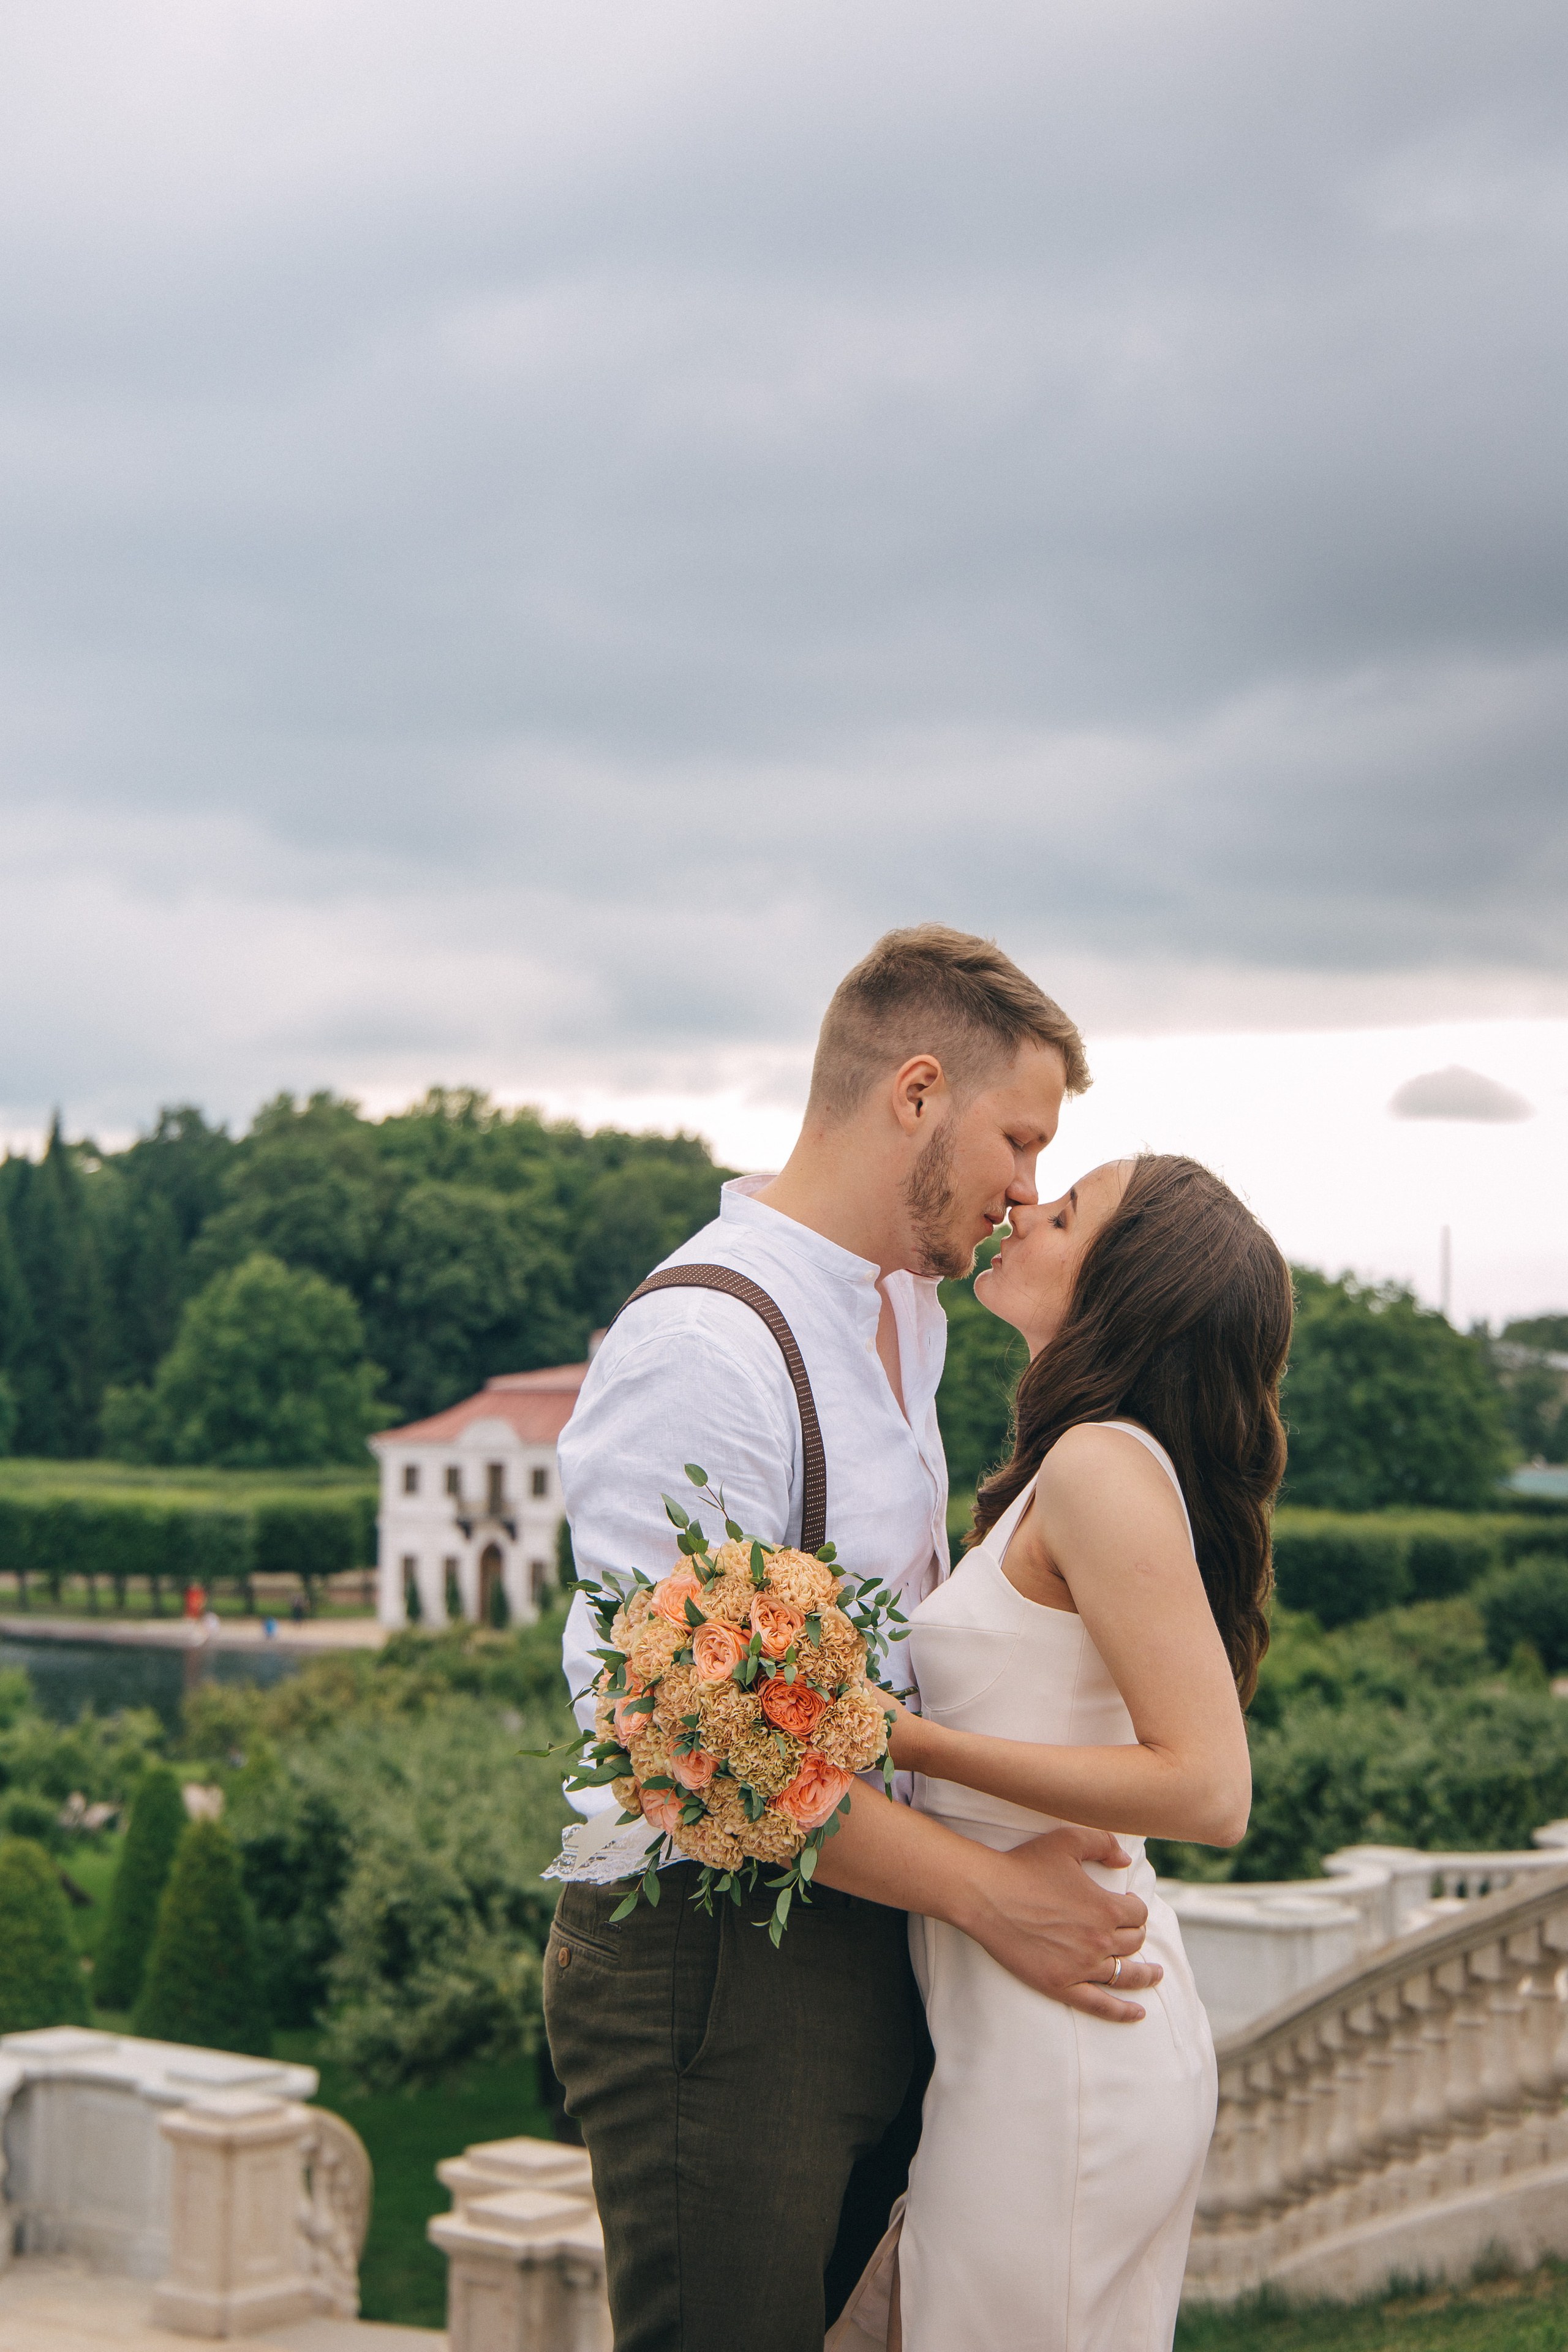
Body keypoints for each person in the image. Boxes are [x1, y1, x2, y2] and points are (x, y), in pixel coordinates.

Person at [546, 926, 1161, 2352]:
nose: (1026, 1188)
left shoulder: (904, 1308)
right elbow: (683, 1743)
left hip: (862, 1931)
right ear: (916, 1093)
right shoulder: (705, 1344)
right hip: (712, 1965)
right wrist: (986, 1894)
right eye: (1019, 1137)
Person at [831, 1153, 1291, 2352]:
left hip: (1065, 2057)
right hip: (1020, 2025)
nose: (1023, 1208)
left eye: (1065, 1209)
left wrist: (906, 1740)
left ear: (1121, 1286)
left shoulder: (1098, 1468)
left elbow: (1206, 1787)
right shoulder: (1069, 1469)